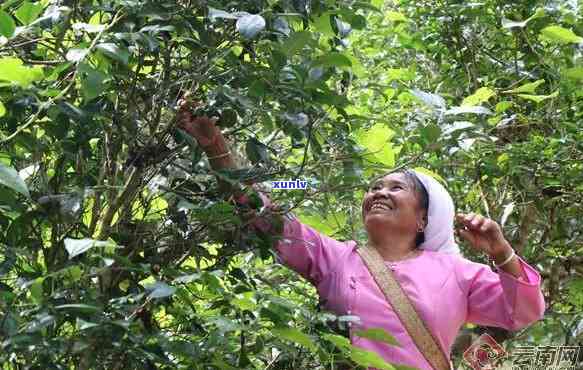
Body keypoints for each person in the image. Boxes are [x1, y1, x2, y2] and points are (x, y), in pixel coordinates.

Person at [176, 99, 546, 370]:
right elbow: (267, 221)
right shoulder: (336, 257)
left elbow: (522, 313)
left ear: (423, 220)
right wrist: (215, 147)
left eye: (396, 188)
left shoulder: (457, 272)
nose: (379, 193)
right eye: (374, 187)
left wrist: (500, 251)